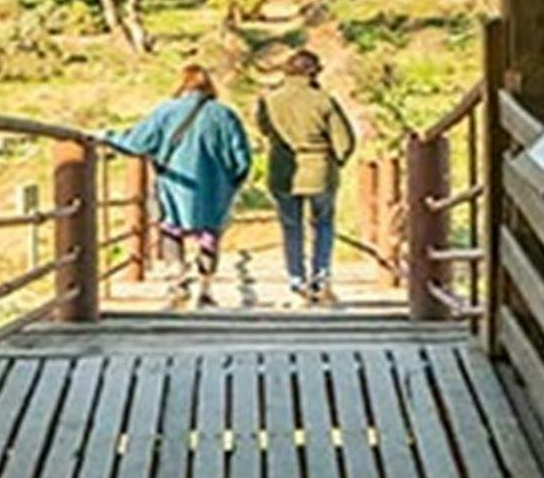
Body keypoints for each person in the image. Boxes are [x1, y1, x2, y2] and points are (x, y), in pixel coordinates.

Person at [105, 64, 252, 309]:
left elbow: (136, 142)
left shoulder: (165, 112)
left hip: (174, 183)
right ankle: (205, 288)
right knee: (209, 234)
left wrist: (106, 136)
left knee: (171, 227)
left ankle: (178, 279)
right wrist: (232, 184)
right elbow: (241, 159)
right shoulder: (225, 115)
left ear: (183, 84)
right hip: (214, 188)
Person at [256, 49, 356, 306]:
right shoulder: (323, 101)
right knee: (322, 225)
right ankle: (321, 278)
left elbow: (265, 129)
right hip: (319, 170)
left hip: (283, 170)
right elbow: (344, 141)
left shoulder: (270, 100)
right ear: (314, 73)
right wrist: (337, 161)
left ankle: (296, 280)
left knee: (291, 227)